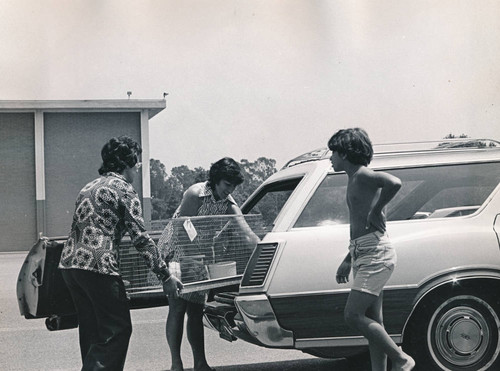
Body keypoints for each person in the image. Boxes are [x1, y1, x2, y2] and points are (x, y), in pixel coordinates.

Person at [58, 136, 182, 370]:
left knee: (92, 332)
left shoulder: (89, 186)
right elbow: (141, 238)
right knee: (117, 330)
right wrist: (165, 275)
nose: (137, 169)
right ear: (128, 164)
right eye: (136, 164)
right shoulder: (124, 189)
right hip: (98, 264)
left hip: (71, 265)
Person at [158, 157, 260, 371]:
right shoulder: (195, 194)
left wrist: (264, 251)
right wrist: (196, 258)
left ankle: (200, 363)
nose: (229, 190)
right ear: (216, 180)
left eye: (233, 186)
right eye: (226, 185)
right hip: (175, 251)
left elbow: (246, 233)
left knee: (196, 310)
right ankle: (176, 364)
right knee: (177, 307)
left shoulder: (229, 203)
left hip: (198, 256)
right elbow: (181, 229)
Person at [330, 128, 415, 371]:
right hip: (362, 252)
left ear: (345, 153)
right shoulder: (352, 178)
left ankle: (402, 359)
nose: (330, 158)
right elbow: (356, 225)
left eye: (333, 152)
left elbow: (394, 182)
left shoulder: (363, 174)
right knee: (374, 321)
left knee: (352, 315)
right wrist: (349, 258)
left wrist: (378, 209)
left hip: (376, 254)